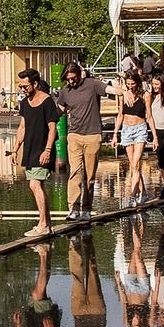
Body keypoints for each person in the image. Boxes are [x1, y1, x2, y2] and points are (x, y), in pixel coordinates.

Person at [55, 63, 107, 221]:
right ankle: (73, 207)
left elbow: (110, 90)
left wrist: (126, 92)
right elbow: (59, 110)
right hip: (74, 135)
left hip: (92, 135)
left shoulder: (92, 84)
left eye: (73, 78)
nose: (71, 81)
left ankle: (86, 208)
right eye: (68, 79)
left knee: (89, 176)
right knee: (75, 172)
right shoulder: (65, 92)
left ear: (79, 74)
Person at [10, 67, 58, 236]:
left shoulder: (47, 101)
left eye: (25, 86)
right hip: (29, 149)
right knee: (38, 185)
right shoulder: (24, 103)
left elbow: (53, 128)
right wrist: (15, 149)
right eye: (20, 86)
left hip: (43, 149)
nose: (22, 89)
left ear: (35, 84)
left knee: (34, 184)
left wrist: (48, 150)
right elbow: (22, 127)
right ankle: (47, 224)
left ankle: (43, 224)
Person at [116, 71, 151, 206]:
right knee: (133, 165)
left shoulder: (144, 95)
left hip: (140, 129)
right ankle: (144, 193)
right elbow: (120, 114)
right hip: (126, 129)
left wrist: (154, 135)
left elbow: (149, 115)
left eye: (133, 84)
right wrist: (115, 134)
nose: (130, 87)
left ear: (138, 83)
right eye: (128, 84)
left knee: (136, 164)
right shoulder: (123, 96)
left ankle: (132, 195)